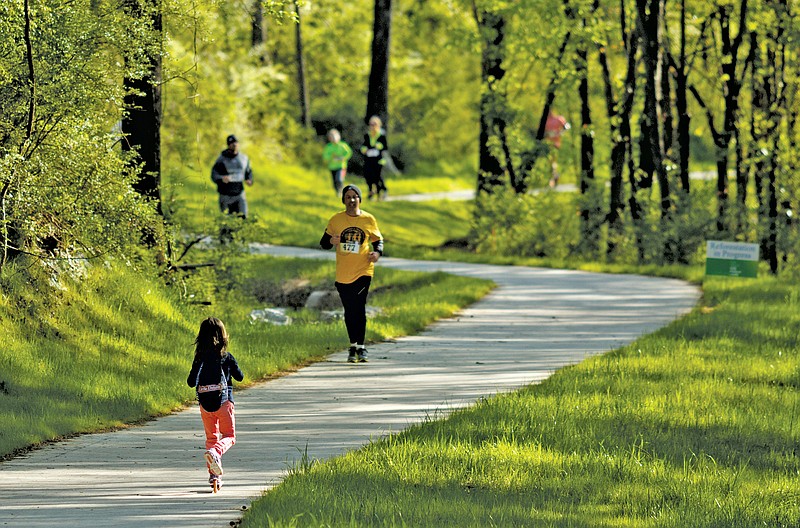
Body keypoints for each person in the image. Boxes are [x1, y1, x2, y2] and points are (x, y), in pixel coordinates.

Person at [319, 184, 384, 363]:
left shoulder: (368, 219)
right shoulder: (336, 220)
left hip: (364, 270)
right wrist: (332, 240)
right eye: (348, 197)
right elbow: (324, 242)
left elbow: (378, 241)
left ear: (360, 200)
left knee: (359, 307)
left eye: (355, 196)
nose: (352, 200)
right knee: (349, 310)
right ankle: (352, 345)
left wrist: (377, 253)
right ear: (344, 200)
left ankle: (361, 347)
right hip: (343, 273)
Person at [186, 317, 244, 491]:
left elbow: (190, 382)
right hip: (224, 403)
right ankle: (215, 453)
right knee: (229, 437)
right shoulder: (226, 357)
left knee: (211, 438)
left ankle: (214, 477)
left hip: (205, 405)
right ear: (223, 335)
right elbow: (240, 376)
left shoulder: (199, 358)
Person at [211, 134, 254, 218]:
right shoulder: (221, 159)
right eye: (232, 143)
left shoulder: (244, 158)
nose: (234, 144)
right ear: (228, 145)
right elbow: (214, 174)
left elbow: (248, 172)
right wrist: (221, 179)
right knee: (226, 222)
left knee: (243, 218)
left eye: (236, 142)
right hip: (225, 195)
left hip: (239, 194)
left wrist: (249, 179)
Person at [360, 116, 389, 200]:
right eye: (371, 124)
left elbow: (385, 147)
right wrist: (363, 149)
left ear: (378, 125)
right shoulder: (367, 135)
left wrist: (380, 146)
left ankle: (381, 191)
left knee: (378, 176)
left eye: (374, 124)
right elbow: (363, 145)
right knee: (368, 176)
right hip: (369, 159)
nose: (372, 126)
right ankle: (370, 191)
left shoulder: (381, 135)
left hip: (379, 160)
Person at [322, 129, 352, 196]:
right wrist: (331, 157)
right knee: (334, 181)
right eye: (332, 137)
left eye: (335, 137)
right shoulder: (328, 147)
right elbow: (325, 156)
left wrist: (343, 158)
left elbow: (349, 152)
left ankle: (341, 190)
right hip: (332, 167)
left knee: (339, 179)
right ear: (329, 138)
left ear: (338, 137)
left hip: (341, 166)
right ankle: (337, 191)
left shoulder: (343, 145)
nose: (334, 139)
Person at [544, 111, 570, 188]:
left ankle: (553, 178)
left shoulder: (558, 119)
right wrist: (548, 134)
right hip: (547, 144)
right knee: (550, 162)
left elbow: (567, 126)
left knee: (553, 161)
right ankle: (553, 177)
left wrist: (560, 132)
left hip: (556, 144)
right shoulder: (545, 121)